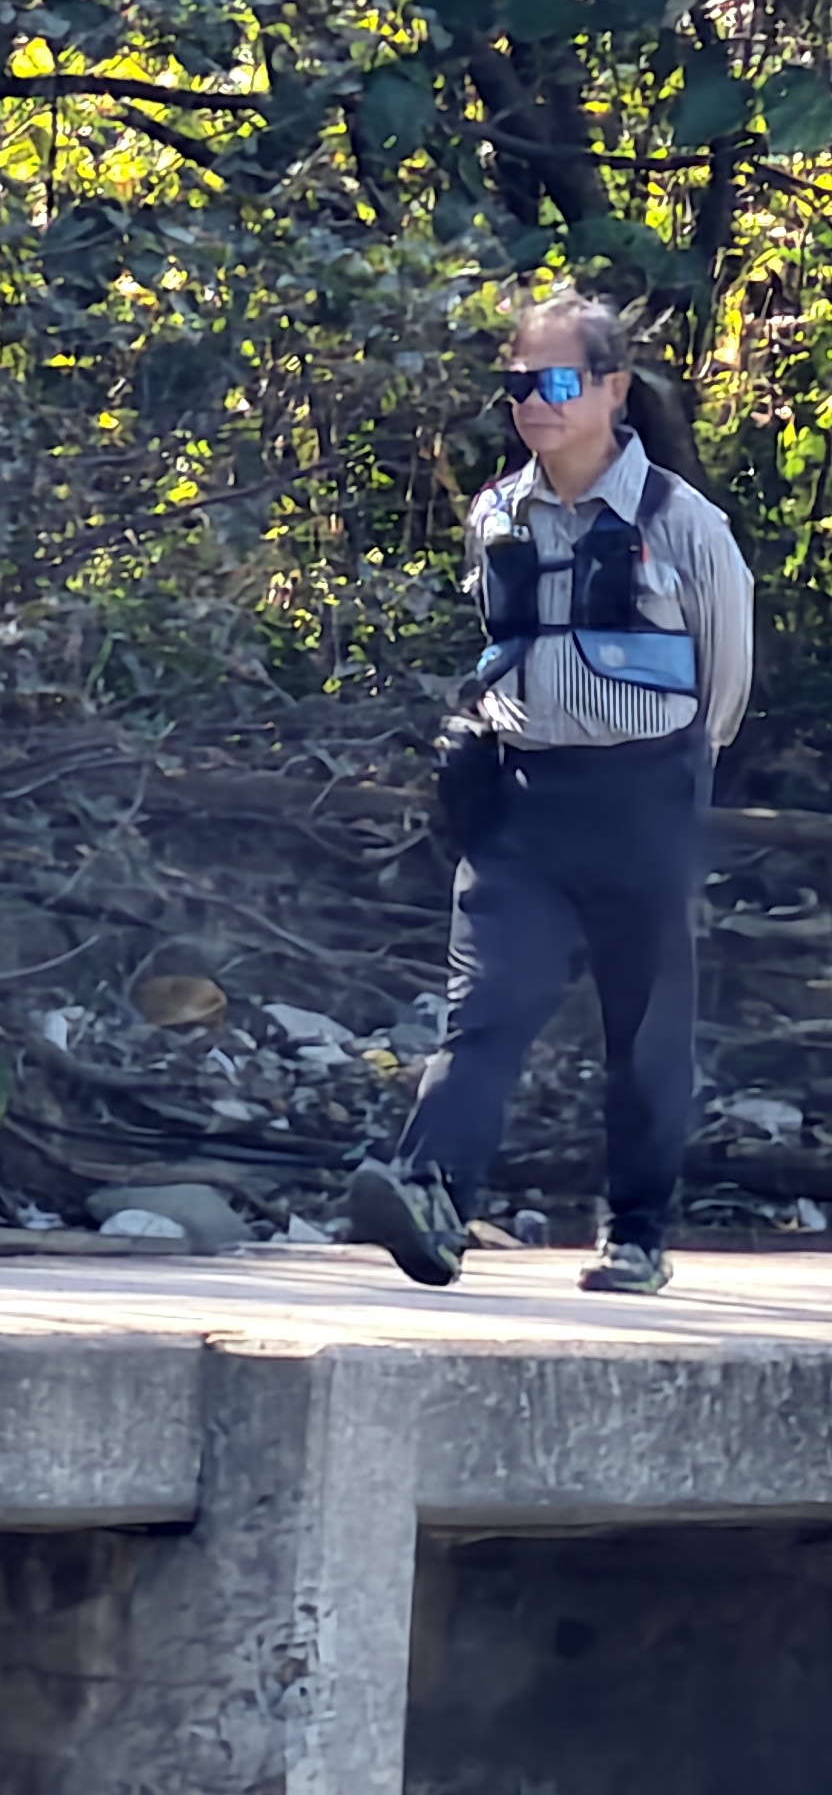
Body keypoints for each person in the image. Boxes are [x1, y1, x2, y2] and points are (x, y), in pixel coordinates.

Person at [349, 292, 752, 1297]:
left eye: (559, 381)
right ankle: (428, 1197)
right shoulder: (495, 514)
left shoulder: (684, 523)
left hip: (645, 799)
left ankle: (638, 1236)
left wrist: (675, 777)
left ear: (613, 389)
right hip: (522, 803)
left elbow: (725, 683)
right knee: (485, 1010)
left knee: (644, 1031)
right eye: (520, 382)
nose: (535, 400)